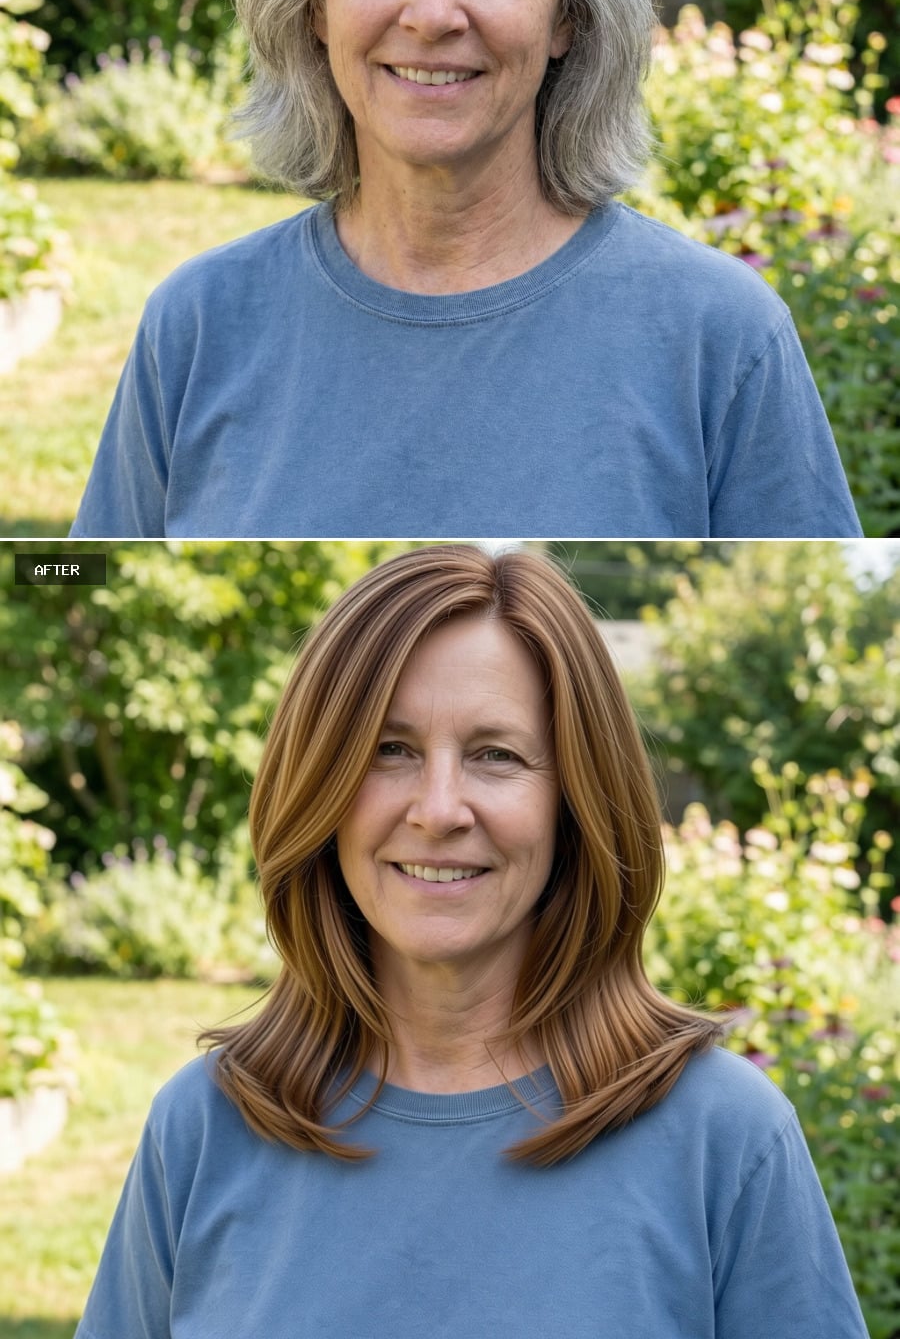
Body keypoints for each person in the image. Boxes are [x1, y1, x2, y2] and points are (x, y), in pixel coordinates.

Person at [75, 545, 869, 1338]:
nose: (439, 808)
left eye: (497, 755)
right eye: (391, 750)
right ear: (318, 785)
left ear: (578, 801)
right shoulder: (204, 1126)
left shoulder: (723, 1140)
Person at [69, 0, 861, 540]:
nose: (433, 11)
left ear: (568, 15)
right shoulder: (199, 324)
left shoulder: (720, 340)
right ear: (313, 1)